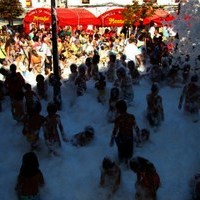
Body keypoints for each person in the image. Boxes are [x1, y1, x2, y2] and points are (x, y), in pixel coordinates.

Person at [110, 100, 140, 164]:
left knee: (121, 153)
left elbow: (115, 130)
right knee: (129, 153)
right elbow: (136, 127)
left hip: (121, 138)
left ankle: (121, 160)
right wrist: (138, 135)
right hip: (129, 137)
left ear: (118, 110)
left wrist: (112, 139)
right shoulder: (131, 117)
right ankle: (128, 160)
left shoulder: (118, 119)